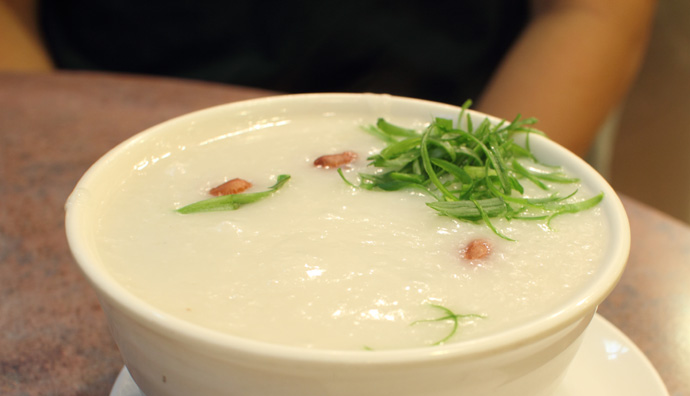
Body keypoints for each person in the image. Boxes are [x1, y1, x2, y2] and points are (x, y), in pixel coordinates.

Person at [0, 0, 657, 156]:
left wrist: (474, 197)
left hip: (431, 139)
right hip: (107, 119)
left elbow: (590, 9)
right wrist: (75, 182)